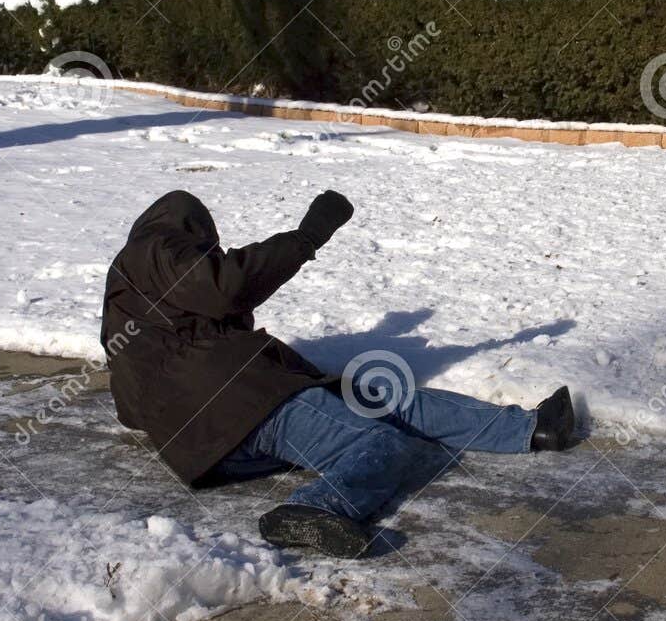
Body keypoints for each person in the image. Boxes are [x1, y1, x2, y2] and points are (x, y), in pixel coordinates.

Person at [101, 189, 577, 557]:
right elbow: (227, 284)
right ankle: (317, 507)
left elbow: (132, 408)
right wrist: (306, 237)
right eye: (207, 245)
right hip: (247, 407)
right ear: (189, 230)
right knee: (379, 442)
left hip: (226, 442)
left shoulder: (135, 307)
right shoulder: (153, 249)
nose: (210, 253)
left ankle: (530, 429)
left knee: (387, 400)